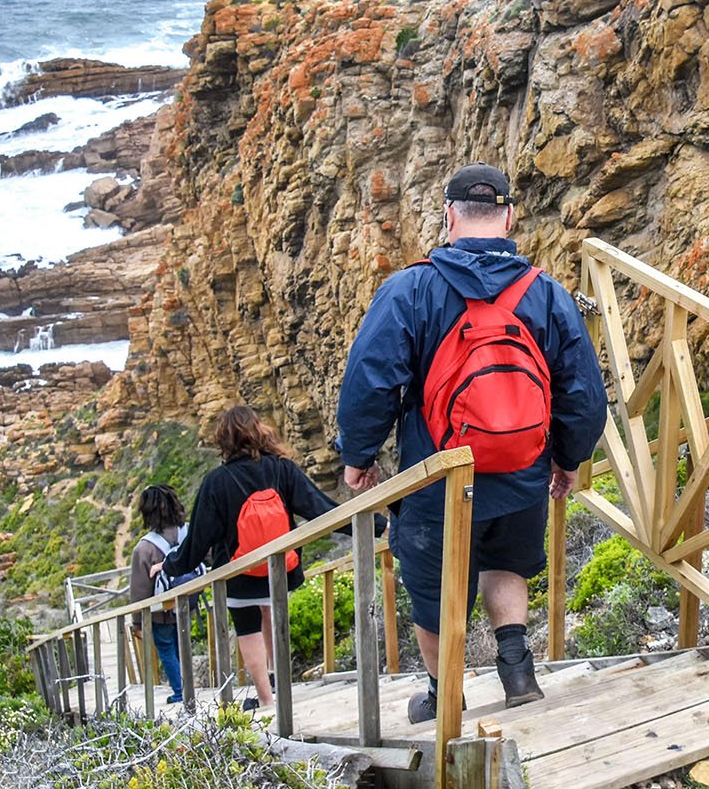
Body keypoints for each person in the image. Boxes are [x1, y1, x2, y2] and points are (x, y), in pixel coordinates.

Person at [337, 162, 608, 724]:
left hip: (439, 476)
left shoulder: (411, 289)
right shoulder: (548, 294)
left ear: (448, 216)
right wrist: (568, 457)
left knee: (435, 585)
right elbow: (582, 389)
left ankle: (447, 696)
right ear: (509, 216)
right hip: (522, 470)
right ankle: (516, 669)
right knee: (506, 561)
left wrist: (359, 458)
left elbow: (370, 380)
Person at [160, 405, 348, 711]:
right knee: (273, 615)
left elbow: (197, 543)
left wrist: (170, 565)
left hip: (239, 575)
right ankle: (281, 684)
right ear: (259, 431)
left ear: (223, 440)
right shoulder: (281, 469)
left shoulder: (216, 481)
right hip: (280, 571)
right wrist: (379, 525)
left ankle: (266, 698)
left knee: (248, 630)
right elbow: (319, 507)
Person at [128, 484, 189, 704]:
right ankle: (188, 686)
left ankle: (181, 692)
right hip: (188, 604)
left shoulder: (145, 549)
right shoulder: (188, 533)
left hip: (161, 612)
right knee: (183, 643)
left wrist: (137, 622)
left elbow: (140, 590)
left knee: (166, 647)